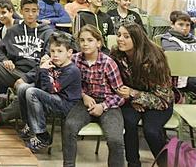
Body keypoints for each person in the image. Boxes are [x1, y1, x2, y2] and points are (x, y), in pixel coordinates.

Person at [0, 0, 53, 131]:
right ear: (21, 11)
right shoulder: (13, 31)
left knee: (26, 95)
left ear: (38, 12)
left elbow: (51, 58)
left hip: (36, 75)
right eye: (27, 10)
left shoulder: (47, 32)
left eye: (34, 10)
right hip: (15, 71)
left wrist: (28, 76)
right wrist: (5, 59)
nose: (30, 14)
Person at [62, 25, 125, 167]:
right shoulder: (75, 59)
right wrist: (83, 95)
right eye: (82, 40)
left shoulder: (108, 63)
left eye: (90, 40)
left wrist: (103, 106)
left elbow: (121, 94)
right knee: (70, 126)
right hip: (84, 101)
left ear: (98, 43)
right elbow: (69, 84)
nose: (85, 44)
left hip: (109, 104)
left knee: (115, 138)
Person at [112, 23, 174, 167]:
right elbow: (114, 82)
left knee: (151, 130)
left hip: (158, 101)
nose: (120, 39)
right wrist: (131, 98)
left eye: (126, 36)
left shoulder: (155, 59)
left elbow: (163, 99)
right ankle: (133, 163)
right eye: (119, 35)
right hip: (130, 99)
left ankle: (166, 163)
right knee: (129, 122)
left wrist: (135, 95)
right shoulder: (117, 54)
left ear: (137, 39)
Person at [16, 33, 81, 152]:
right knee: (23, 88)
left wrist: (44, 71)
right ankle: (29, 125)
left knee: (32, 92)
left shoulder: (72, 70)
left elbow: (51, 89)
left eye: (60, 51)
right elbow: (40, 85)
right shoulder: (52, 64)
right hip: (53, 98)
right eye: (52, 51)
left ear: (69, 53)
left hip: (65, 104)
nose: (55, 55)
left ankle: (42, 136)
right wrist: (41, 68)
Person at [161, 11, 196, 92]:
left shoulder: (192, 38)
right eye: (180, 24)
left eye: (188, 25)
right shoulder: (168, 40)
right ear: (172, 24)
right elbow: (180, 60)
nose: (184, 28)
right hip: (181, 77)